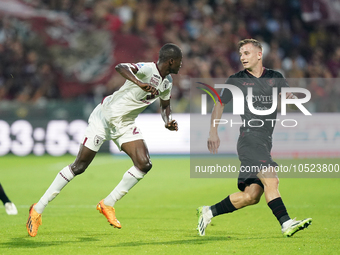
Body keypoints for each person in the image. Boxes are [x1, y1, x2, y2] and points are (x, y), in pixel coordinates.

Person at [26, 43, 182, 237]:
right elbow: (121, 67)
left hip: (124, 123)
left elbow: (165, 105)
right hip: (104, 117)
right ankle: (37, 209)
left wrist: (167, 121)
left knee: (144, 164)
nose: (181, 67)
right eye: (180, 63)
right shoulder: (148, 69)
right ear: (171, 61)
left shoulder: (167, 83)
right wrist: (139, 82)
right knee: (79, 167)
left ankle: (108, 203)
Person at [196, 39, 312, 237]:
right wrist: (213, 132)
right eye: (241, 54)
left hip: (265, 141)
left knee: (251, 196)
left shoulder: (275, 77)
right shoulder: (236, 79)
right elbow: (220, 103)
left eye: (247, 53)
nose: (242, 57)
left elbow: (287, 101)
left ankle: (209, 211)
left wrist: (292, 101)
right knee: (272, 180)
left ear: (259, 54)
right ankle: (286, 223)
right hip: (249, 139)